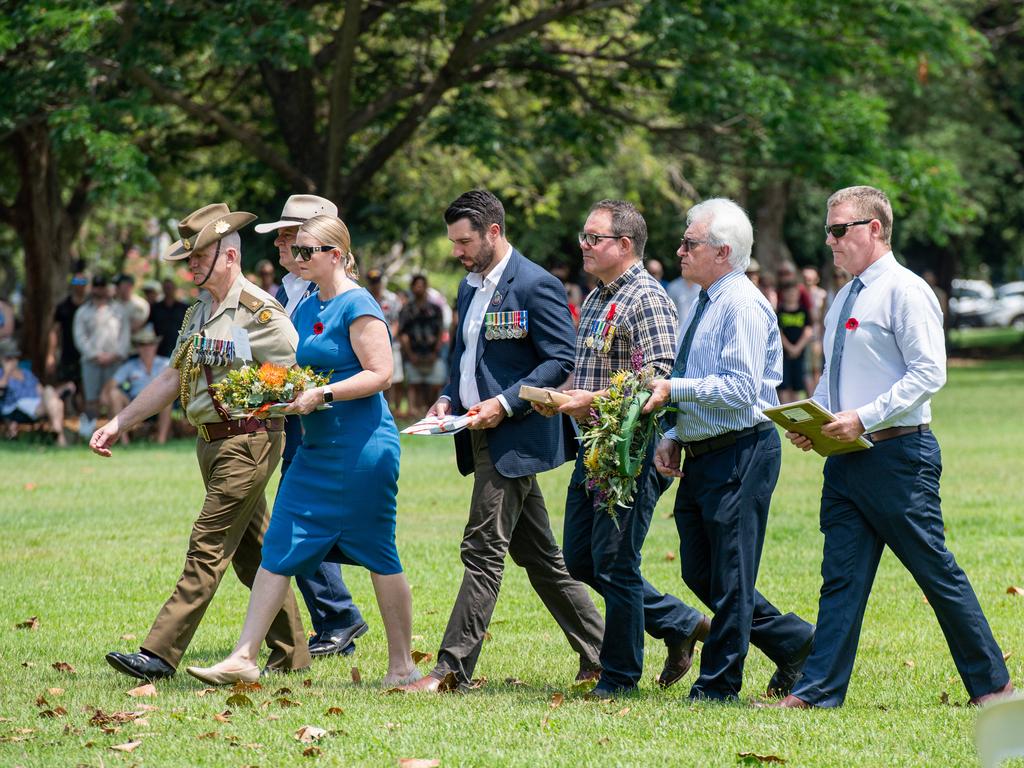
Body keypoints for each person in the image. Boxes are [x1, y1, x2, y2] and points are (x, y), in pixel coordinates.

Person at [774, 185, 1012, 708]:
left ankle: (993, 688)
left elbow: (930, 372)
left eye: (839, 230)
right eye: (828, 231)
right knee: (840, 580)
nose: (831, 241)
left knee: (935, 572)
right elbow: (833, 379)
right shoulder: (843, 297)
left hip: (900, 457)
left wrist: (863, 417)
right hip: (845, 459)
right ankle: (817, 693)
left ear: (874, 229)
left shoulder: (905, 290)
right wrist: (814, 419)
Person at [186, 214, 419, 687]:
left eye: (308, 251)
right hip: (314, 449)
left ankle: (402, 667)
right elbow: (299, 367)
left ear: (336, 254)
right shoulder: (311, 301)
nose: (297, 257)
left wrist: (324, 395)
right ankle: (244, 657)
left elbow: (381, 373)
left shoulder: (359, 304)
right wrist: (274, 392)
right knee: (278, 545)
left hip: (362, 451)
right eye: (297, 251)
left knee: (378, 553)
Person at [92, 202, 310, 682]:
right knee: (254, 552)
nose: (190, 265)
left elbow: (297, 371)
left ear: (230, 256)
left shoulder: (259, 311)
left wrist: (268, 405)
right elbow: (173, 378)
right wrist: (119, 421)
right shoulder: (199, 311)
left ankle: (159, 653)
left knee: (207, 543)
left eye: (200, 256)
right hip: (210, 443)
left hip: (248, 442)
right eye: (189, 257)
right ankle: (293, 653)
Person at [401, 190, 603, 693]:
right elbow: (466, 359)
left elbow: (560, 359)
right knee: (541, 559)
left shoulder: (537, 284)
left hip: (516, 437)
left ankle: (451, 670)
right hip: (476, 432)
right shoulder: (470, 288)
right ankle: (606, 652)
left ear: (494, 232)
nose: (456, 252)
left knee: (483, 548)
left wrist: (504, 403)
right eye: (452, 242)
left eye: (464, 241)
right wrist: (448, 398)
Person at [533, 199, 709, 699]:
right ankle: (678, 623)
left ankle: (619, 677)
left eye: (594, 238)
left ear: (625, 245)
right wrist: (564, 396)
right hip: (594, 446)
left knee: (615, 563)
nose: (583, 246)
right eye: (583, 237)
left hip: (632, 447)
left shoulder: (646, 299)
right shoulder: (595, 298)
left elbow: (658, 379)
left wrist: (594, 399)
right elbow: (588, 371)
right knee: (580, 559)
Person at [641, 198, 815, 702]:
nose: (679, 250)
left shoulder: (739, 304)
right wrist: (675, 434)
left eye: (688, 243)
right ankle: (796, 641)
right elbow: (702, 382)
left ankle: (718, 685)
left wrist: (675, 392)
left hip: (742, 451)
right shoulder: (708, 299)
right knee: (701, 570)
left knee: (732, 575)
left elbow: (741, 389)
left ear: (722, 251)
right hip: (705, 451)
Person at [253, 194, 369, 658]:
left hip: (334, 424)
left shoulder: (344, 295)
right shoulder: (291, 290)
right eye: (284, 237)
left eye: (292, 236)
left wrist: (313, 394)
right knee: (296, 520)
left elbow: (373, 368)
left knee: (300, 521)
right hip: (300, 416)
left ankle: (339, 616)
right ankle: (336, 616)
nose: (283, 245)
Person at [74, 274, 130, 438]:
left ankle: (118, 435)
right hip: (91, 362)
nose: (100, 289)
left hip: (115, 361)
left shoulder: (119, 310)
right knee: (91, 399)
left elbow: (124, 336)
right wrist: (95, 355)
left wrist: (115, 355)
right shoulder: (83, 312)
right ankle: (88, 434)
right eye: (97, 286)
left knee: (113, 396)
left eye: (103, 286)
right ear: (93, 288)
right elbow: (80, 337)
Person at [101, 324, 172, 444]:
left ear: (155, 346)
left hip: (159, 401)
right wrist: (106, 398)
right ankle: (124, 441)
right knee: (114, 394)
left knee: (168, 400)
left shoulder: (166, 363)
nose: (146, 348)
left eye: (150, 344)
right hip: (134, 403)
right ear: (138, 348)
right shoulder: (130, 366)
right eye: (142, 344)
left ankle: (161, 440)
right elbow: (111, 385)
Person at [0, 338, 67, 446]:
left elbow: (42, 392)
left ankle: (57, 430)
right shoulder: (1, 374)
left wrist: (64, 388)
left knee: (50, 392)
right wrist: (7, 372)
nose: (13, 361)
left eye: (15, 357)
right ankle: (59, 436)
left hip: (38, 404)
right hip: (16, 408)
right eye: (8, 358)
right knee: (56, 402)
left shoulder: (26, 373)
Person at [399, 274, 445, 414]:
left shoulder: (435, 308)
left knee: (436, 383)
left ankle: (431, 410)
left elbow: (440, 332)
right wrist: (410, 354)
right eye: (416, 285)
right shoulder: (406, 309)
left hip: (432, 353)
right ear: (412, 288)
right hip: (414, 352)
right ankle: (413, 411)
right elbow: (403, 334)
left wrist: (435, 352)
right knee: (414, 384)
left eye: (421, 285)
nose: (419, 288)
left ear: (426, 287)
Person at [366, 267, 407, 418]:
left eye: (377, 282)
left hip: (391, 344)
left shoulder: (392, 299)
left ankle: (393, 408)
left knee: (393, 378)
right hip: (368, 345)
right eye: (372, 282)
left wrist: (387, 340)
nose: (375, 285)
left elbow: (396, 321)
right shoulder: (364, 297)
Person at [777, 279, 813, 403]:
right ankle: (784, 410)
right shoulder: (780, 311)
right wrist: (790, 348)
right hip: (784, 355)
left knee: (798, 384)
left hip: (800, 353)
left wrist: (798, 347)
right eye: (789, 292)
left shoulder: (803, 311)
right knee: (784, 384)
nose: (792, 295)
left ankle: (796, 412)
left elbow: (808, 330)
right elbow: (778, 332)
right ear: (783, 294)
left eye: (794, 292)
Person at [149, 279, 189, 359]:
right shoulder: (155, 308)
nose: (168, 290)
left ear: (175, 289)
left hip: (180, 349)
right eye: (166, 288)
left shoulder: (185, 308)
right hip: (160, 350)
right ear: (163, 289)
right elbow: (148, 327)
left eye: (170, 288)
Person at [802, 266, 827, 391]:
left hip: (816, 334)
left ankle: (815, 396)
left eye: (810, 278)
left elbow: (821, 319)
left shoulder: (822, 294)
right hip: (803, 334)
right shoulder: (800, 294)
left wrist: (820, 338)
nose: (807, 281)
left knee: (816, 368)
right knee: (806, 368)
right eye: (805, 278)